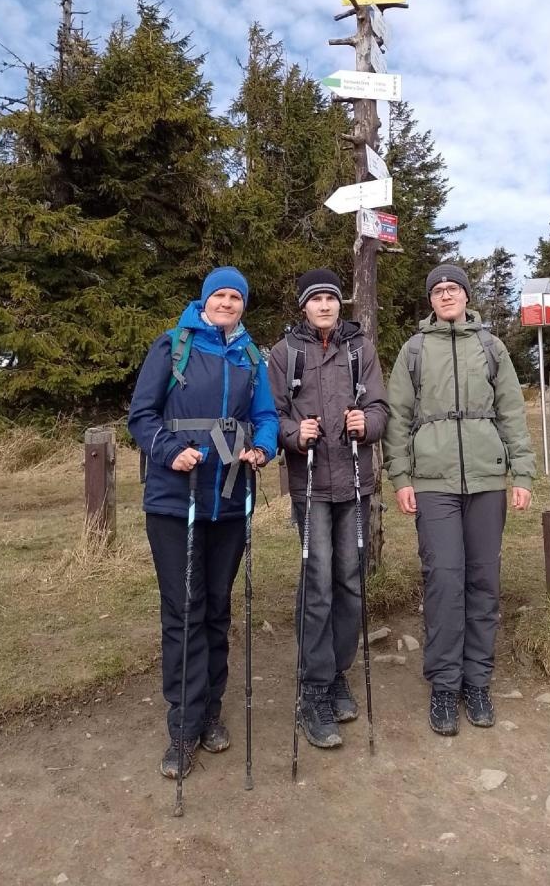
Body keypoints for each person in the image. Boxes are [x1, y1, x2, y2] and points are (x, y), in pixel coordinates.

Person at [128, 267, 279, 779]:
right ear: (205, 299)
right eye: (220, 294)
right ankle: (184, 725)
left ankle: (211, 710)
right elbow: (141, 416)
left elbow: (266, 417)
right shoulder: (173, 346)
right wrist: (171, 451)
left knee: (216, 608)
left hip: (230, 501)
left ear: (243, 304)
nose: (227, 302)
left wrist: (263, 447)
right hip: (176, 501)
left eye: (236, 296)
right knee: (184, 609)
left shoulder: (251, 356)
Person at [382, 263, 534, 736]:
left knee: (484, 581)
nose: (446, 295)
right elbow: (397, 418)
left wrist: (522, 472)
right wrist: (400, 477)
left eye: (453, 288)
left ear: (467, 296)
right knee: (444, 581)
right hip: (433, 482)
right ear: (430, 300)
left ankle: (478, 681)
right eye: (438, 290)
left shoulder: (491, 348)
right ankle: (445, 685)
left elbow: (512, 412)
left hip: (487, 480)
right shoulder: (414, 350)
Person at [267, 269, 389, 749]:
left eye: (331, 299)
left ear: (341, 305)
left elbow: (380, 408)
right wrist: (295, 435)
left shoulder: (360, 349)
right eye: (315, 299)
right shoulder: (285, 354)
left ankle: (337, 673)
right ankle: (313, 687)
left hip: (355, 483)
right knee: (317, 585)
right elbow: (272, 416)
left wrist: (367, 423)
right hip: (311, 485)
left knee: (350, 582)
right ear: (303, 306)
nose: (324, 305)